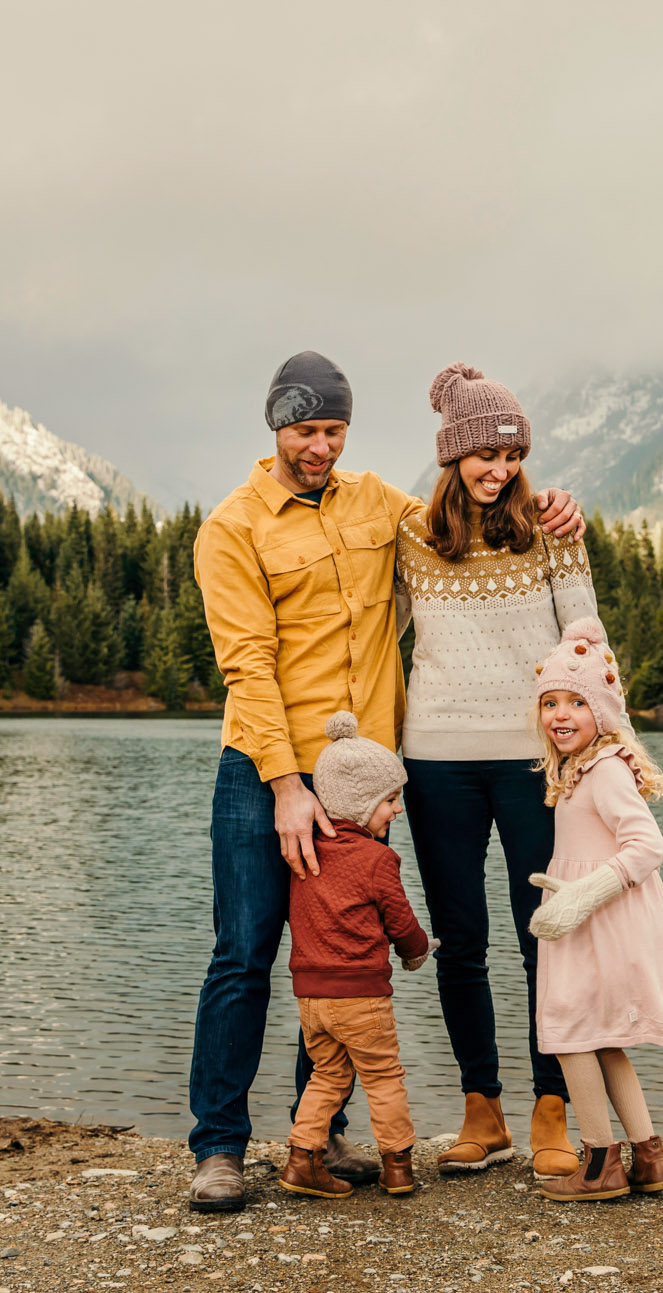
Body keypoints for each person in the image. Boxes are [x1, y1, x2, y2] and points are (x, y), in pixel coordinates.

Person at [186, 350, 583, 1212]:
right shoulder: (233, 527)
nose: (320, 445)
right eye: (305, 430)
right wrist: (288, 784)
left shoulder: (381, 506)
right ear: (275, 429)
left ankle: (313, 1135)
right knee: (245, 953)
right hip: (267, 770)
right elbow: (246, 666)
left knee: (340, 958)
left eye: (332, 429)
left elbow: (476, 498)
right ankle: (217, 1144)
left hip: (366, 778)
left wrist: (550, 501)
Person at [393, 362, 594, 1178]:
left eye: (511, 456)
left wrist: (591, 734)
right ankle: (484, 1108)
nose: (499, 470)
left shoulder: (551, 528)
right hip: (436, 759)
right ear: (452, 455)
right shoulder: (410, 536)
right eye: (483, 455)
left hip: (530, 761)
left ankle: (553, 1104)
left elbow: (584, 637)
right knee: (460, 941)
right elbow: (373, 634)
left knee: (543, 932)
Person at [527, 618, 663, 1202]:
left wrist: (580, 898)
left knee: (568, 1032)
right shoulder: (578, 768)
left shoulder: (607, 770)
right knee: (600, 1038)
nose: (560, 715)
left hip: (602, 922)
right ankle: (648, 1157)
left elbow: (647, 846)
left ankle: (599, 1165)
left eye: (576, 702)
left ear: (605, 711)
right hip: (587, 921)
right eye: (550, 702)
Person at [280, 712, 433, 1200]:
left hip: (310, 996)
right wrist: (417, 951)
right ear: (361, 801)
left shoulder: (304, 853)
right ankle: (398, 1166)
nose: (397, 811)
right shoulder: (377, 859)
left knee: (327, 1075)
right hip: (361, 995)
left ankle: (303, 1160)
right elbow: (400, 919)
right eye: (390, 800)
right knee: (384, 1076)